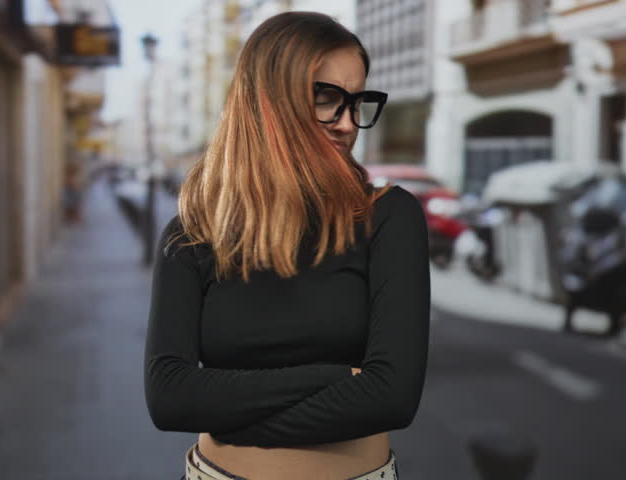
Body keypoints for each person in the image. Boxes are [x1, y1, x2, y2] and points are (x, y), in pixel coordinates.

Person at [144, 11, 430, 480]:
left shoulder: (388, 216)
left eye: (356, 103)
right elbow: (169, 398)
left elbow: (392, 398)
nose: (347, 123)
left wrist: (226, 414)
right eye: (326, 99)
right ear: (268, 104)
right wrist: (335, 377)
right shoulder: (192, 233)